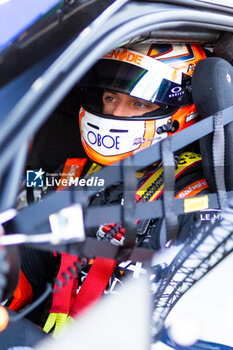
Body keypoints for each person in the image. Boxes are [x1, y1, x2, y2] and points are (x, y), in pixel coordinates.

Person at [6, 42, 213, 337]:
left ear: (181, 110)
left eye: (139, 103)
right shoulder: (70, 175)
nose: (116, 113)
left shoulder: (197, 202)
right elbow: (23, 264)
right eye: (110, 97)